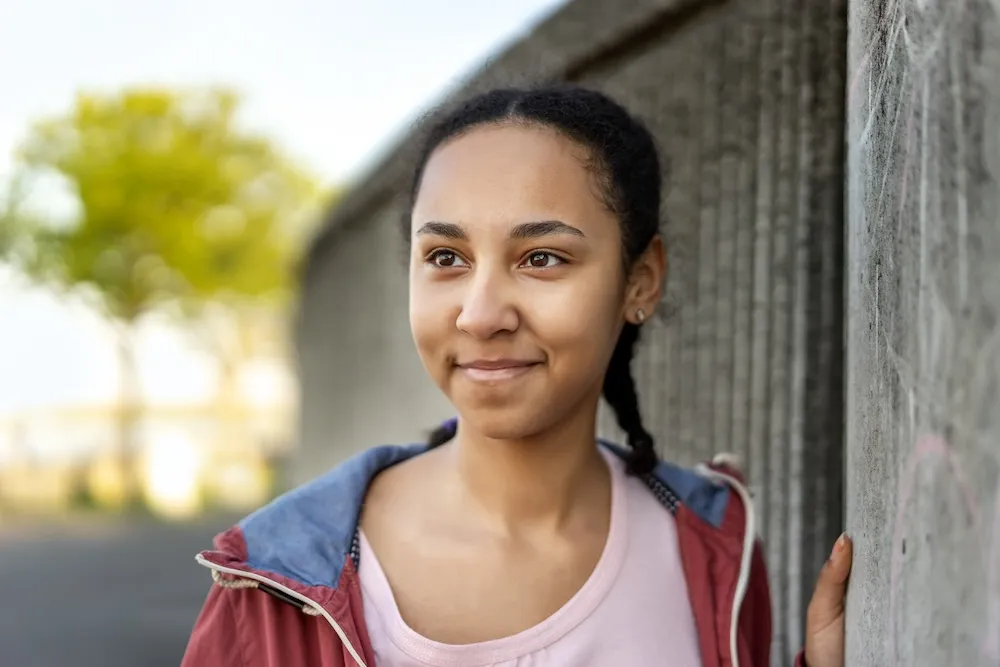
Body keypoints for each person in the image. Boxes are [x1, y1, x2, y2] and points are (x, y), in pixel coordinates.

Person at [181, 85, 852, 667]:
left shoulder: (710, 544)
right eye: (446, 256)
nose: (480, 314)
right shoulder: (272, 583)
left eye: (541, 258)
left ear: (639, 281)